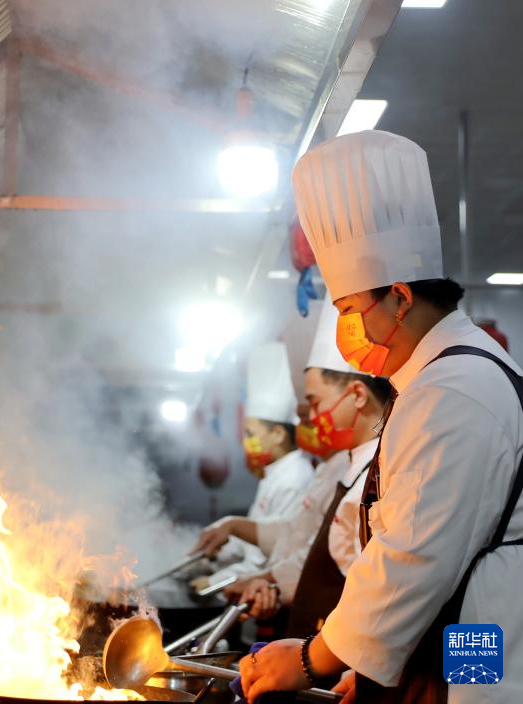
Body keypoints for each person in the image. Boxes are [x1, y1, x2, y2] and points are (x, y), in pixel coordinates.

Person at [238, 130, 523, 704]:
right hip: (451, 630)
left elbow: (413, 557)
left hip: (476, 638)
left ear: (399, 297)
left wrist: (312, 659)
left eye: (349, 308)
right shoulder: (436, 379)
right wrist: (369, 663)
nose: (348, 331)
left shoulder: (453, 389)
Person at [193, 302, 391, 633]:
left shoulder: (380, 469)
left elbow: (358, 580)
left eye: (313, 404)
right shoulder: (348, 466)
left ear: (358, 395)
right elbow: (303, 541)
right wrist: (262, 574)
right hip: (316, 632)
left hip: (340, 639)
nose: (310, 420)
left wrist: (266, 580)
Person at [192, 342, 314, 591]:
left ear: (278, 434)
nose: (245, 442)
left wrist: (212, 582)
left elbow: (266, 557)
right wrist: (210, 559)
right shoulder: (273, 474)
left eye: (251, 433)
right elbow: (247, 543)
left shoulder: (294, 478)